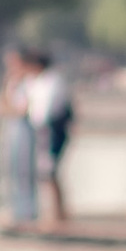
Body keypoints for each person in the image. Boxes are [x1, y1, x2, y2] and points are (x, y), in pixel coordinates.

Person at [22, 48, 73, 226]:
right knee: (46, 172)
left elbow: (46, 111)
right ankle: (56, 211)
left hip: (52, 130)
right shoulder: (37, 82)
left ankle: (58, 213)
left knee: (49, 171)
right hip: (42, 130)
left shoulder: (52, 81)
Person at [0, 45, 39, 228]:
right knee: (10, 167)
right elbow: (4, 107)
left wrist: (14, 111)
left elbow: (25, 109)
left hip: (25, 127)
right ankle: (15, 210)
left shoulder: (30, 82)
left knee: (24, 168)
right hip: (11, 126)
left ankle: (27, 211)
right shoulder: (12, 81)